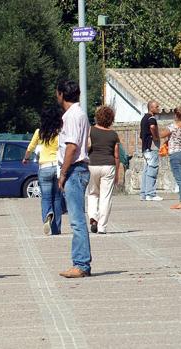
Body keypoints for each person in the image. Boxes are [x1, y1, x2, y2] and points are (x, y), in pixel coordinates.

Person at [56, 80, 92, 278]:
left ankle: (81, 263)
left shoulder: (71, 116)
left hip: (74, 170)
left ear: (61, 94)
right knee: (77, 218)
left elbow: (71, 147)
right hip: (79, 169)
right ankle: (81, 262)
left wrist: (63, 172)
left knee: (76, 219)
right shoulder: (80, 114)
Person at [23, 106, 64, 236]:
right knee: (57, 197)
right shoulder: (60, 132)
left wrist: (25, 158)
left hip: (44, 167)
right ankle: (56, 228)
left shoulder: (39, 132)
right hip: (57, 167)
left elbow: (30, 147)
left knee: (46, 197)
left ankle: (47, 214)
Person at [87, 106, 120, 234]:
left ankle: (93, 217)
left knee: (92, 193)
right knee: (106, 197)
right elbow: (116, 155)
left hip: (92, 164)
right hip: (108, 166)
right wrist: (117, 172)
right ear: (111, 119)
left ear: (97, 117)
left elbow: (87, 147)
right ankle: (102, 227)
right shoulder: (113, 134)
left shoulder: (90, 130)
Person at [161, 107, 181, 209]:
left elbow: (161, 135)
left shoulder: (172, 127)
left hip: (176, 154)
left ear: (176, 115)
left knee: (180, 179)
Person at [139, 100, 163, 201]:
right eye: (156, 107)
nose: (158, 108)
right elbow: (152, 127)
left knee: (146, 170)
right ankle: (151, 193)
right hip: (151, 147)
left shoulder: (143, 118)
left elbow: (141, 135)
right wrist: (156, 137)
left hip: (145, 147)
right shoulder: (151, 118)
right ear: (151, 108)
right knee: (152, 169)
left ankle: (144, 193)